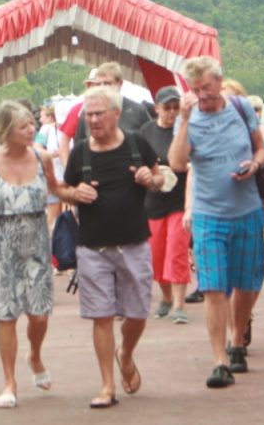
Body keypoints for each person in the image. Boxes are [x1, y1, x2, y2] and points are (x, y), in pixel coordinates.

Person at [168, 56, 264, 388]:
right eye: (196, 90)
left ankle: (237, 341)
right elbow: (178, 163)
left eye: (208, 89)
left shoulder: (240, 108)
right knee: (213, 288)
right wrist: (184, 120)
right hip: (208, 214)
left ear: (220, 82)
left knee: (246, 285)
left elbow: (262, 150)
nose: (203, 96)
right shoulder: (189, 117)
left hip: (248, 210)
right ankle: (219, 361)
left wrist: (254, 165)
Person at [60, 86, 163, 408]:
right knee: (101, 316)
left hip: (133, 243)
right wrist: (75, 194)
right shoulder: (80, 153)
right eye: (87, 115)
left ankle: (126, 354)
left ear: (116, 115)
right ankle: (107, 385)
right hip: (92, 247)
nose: (92, 120)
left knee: (137, 312)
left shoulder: (136, 144)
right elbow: (63, 188)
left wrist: (151, 178)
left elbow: (161, 178)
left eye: (98, 114)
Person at [0, 102, 61, 409]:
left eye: (32, 124)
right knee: (6, 316)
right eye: (23, 126)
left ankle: (34, 354)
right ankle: (9, 381)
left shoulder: (42, 156)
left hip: (36, 243)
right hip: (0, 247)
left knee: (40, 314)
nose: (31, 129)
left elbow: (58, 190)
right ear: (7, 131)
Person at [141, 86, 190, 324]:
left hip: (179, 200)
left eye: (175, 108)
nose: (172, 113)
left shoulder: (184, 129)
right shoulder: (146, 131)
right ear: (157, 108)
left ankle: (180, 304)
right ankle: (166, 297)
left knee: (177, 250)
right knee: (157, 254)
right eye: (167, 108)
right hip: (153, 200)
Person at [72, 61, 152, 142]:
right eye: (99, 84)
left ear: (119, 83)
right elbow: (79, 146)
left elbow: (151, 143)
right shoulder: (88, 113)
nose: (103, 88)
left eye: (107, 83)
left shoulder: (138, 111)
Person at [35, 105, 64, 232]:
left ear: (51, 116)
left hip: (67, 177)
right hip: (54, 177)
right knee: (53, 213)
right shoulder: (46, 129)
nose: (40, 119)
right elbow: (36, 148)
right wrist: (53, 154)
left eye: (42, 116)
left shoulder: (69, 128)